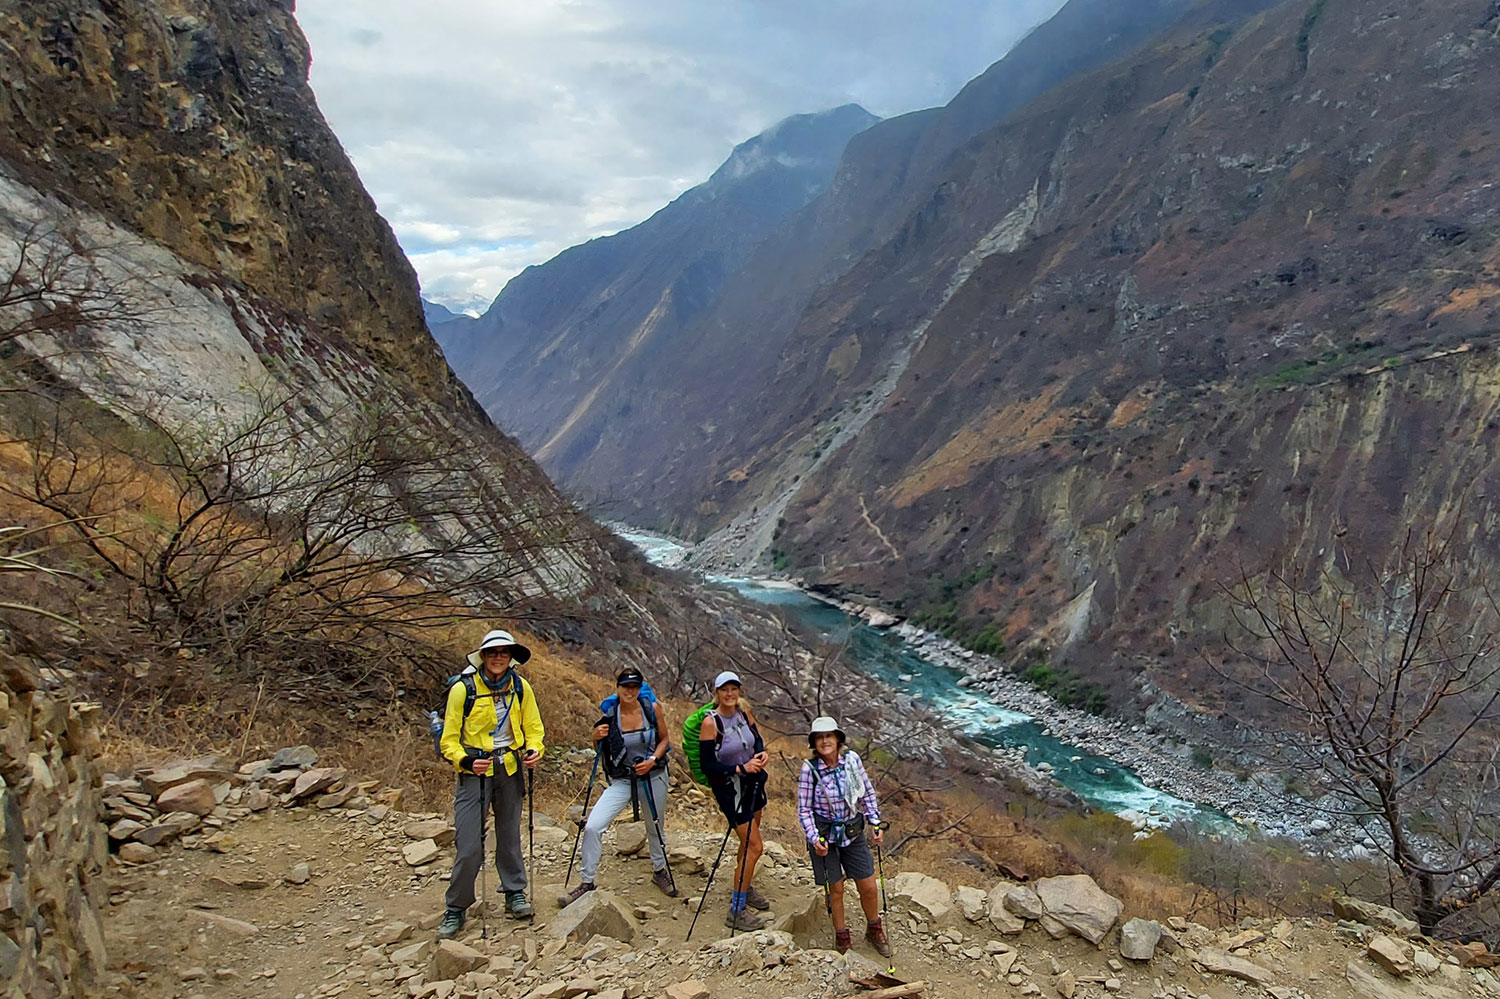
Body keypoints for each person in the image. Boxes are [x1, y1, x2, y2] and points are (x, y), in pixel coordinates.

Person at [436, 629, 545, 939]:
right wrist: (466, 761)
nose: (499, 658)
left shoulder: (521, 688)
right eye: (493, 652)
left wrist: (535, 749)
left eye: (504, 652)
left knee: (509, 835)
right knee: (469, 844)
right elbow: (449, 739)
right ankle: (456, 907)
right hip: (475, 772)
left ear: (511, 657)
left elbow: (534, 728)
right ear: (483, 656)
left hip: (509, 767)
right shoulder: (463, 690)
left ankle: (515, 893)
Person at [559, 667, 677, 906]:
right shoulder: (610, 714)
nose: (630, 691)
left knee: (655, 825)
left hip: (653, 775)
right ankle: (587, 881)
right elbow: (600, 752)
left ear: (640, 688)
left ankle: (659, 870)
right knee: (593, 826)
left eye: (634, 687)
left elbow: (665, 739)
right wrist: (595, 737)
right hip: (623, 779)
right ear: (618, 688)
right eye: (626, 686)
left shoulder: (651, 709)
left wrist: (652, 760)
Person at [797, 716, 891, 957]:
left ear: (838, 739)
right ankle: (842, 937)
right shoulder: (810, 770)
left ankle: (874, 928)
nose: (825, 741)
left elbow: (865, 793)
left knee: (868, 884)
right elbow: (804, 809)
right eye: (819, 737)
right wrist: (814, 837)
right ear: (814, 743)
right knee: (835, 888)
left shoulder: (852, 761)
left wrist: (875, 821)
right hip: (825, 835)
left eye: (829, 736)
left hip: (852, 830)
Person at [697, 670, 771, 930]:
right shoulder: (711, 723)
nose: (730, 694)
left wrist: (760, 757)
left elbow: (757, 741)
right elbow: (708, 765)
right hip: (732, 790)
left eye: (734, 689)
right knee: (755, 846)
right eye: (724, 690)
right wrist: (740, 769)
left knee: (748, 841)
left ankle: (745, 883)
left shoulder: (744, 713)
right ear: (716, 693)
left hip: (753, 784)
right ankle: (736, 909)